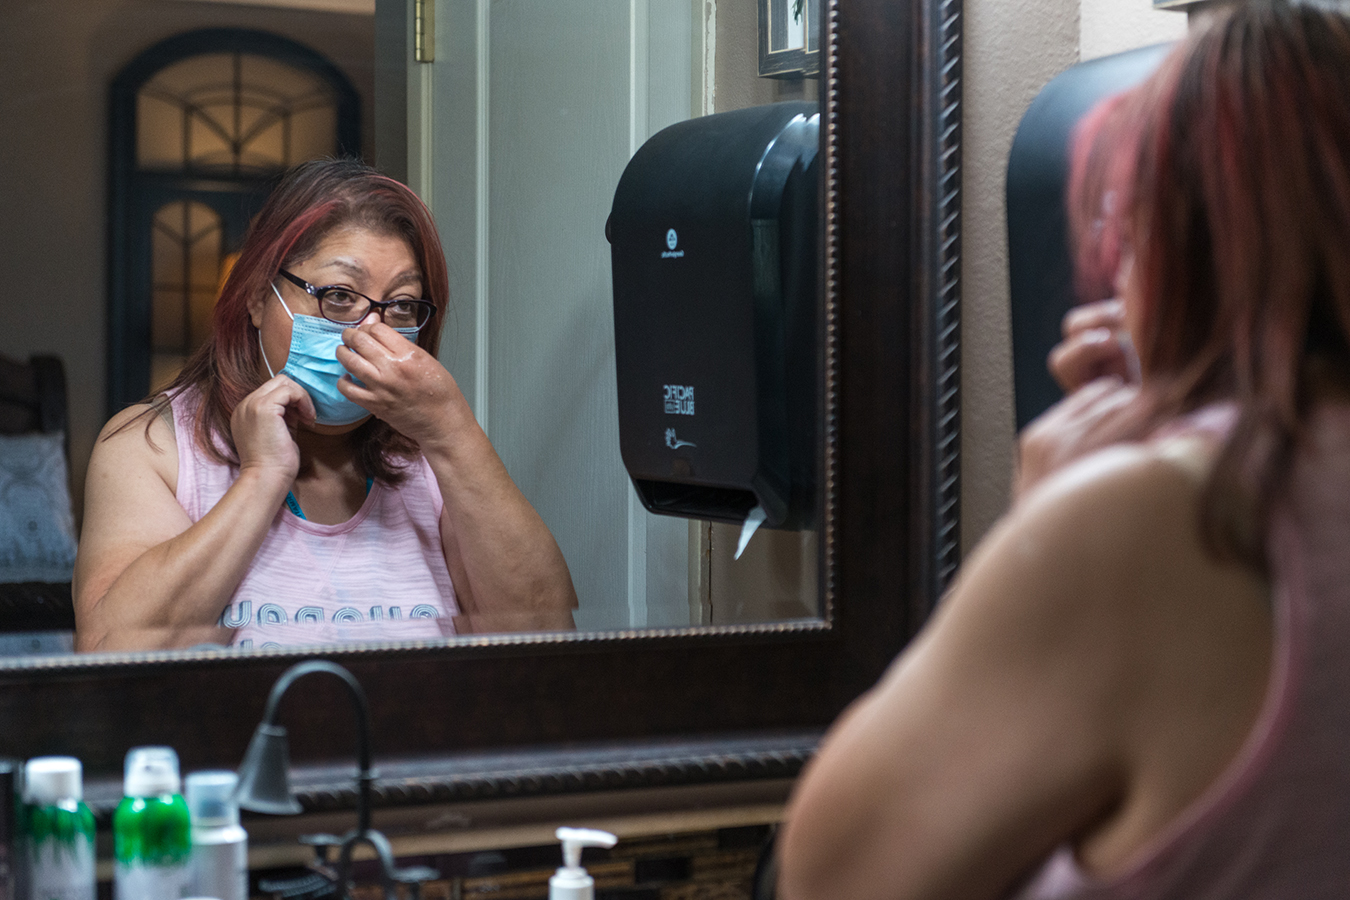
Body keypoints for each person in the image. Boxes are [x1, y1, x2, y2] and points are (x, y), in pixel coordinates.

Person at [778, 2, 1350, 897]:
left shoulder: (1160, 523)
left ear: (1165, 244)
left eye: (1124, 234)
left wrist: (1040, 527)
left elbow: (825, 878)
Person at [74, 158, 578, 652]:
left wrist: (452, 432)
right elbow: (109, 653)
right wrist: (261, 478)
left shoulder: (433, 455)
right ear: (257, 296)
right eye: (338, 296)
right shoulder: (152, 446)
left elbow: (549, 643)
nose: (371, 333)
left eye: (401, 306)